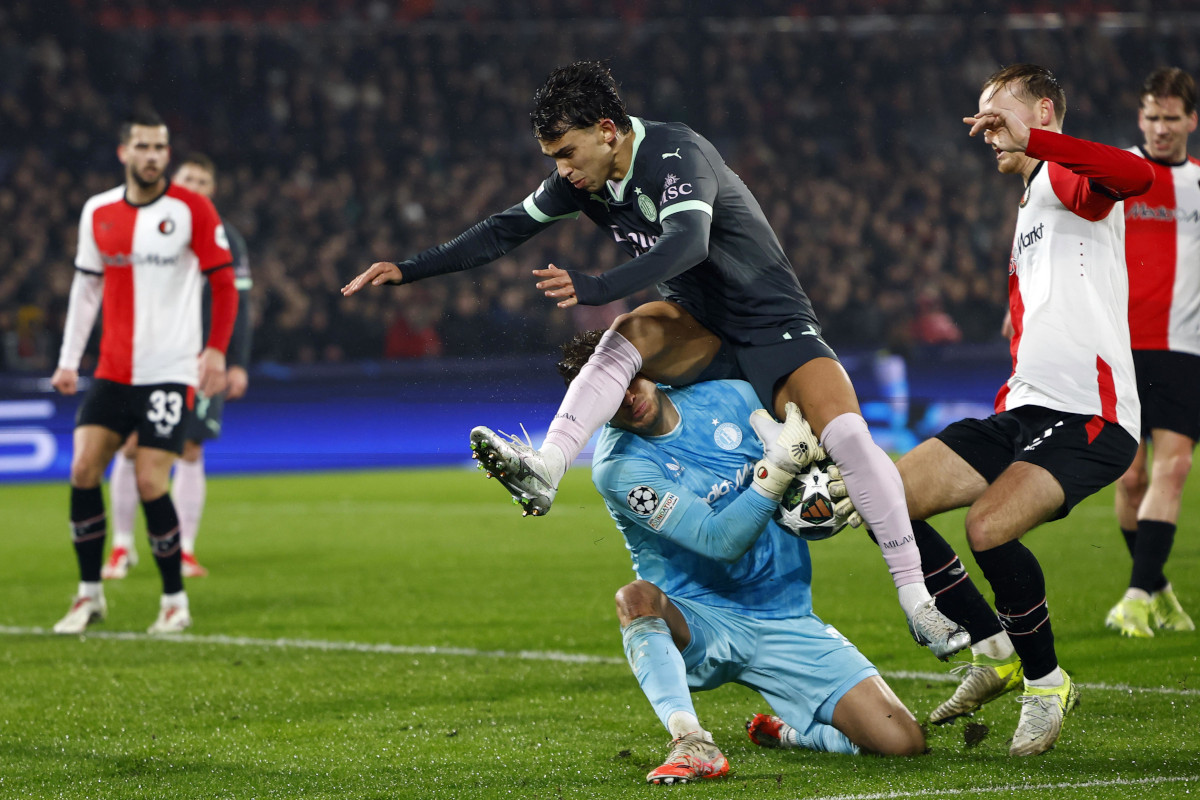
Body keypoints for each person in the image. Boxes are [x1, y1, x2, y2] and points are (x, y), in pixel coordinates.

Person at [343, 60, 967, 659]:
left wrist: (595, 283)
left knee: (852, 437)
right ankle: (549, 466)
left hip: (772, 323)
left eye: (566, 152)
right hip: (700, 329)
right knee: (629, 331)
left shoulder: (677, 154)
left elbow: (688, 243)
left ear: (607, 131)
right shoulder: (583, 182)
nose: (562, 170)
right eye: (553, 158)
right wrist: (409, 269)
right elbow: (504, 229)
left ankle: (918, 604)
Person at [842, 64, 1153, 757]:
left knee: (987, 528)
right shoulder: (1031, 202)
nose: (985, 129)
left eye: (998, 114)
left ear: (1043, 110)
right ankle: (995, 650)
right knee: (884, 499)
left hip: (1088, 415)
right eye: (981, 117)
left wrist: (1037, 140)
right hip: (1024, 408)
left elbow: (1136, 180)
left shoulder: (1068, 176)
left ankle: (1045, 683)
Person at [551, 331, 924, 785]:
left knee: (903, 743)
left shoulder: (732, 397)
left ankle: (793, 735)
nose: (627, 399)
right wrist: (777, 471)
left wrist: (834, 480)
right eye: (608, 399)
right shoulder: (619, 468)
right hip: (700, 618)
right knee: (636, 599)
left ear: (644, 365)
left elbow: (808, 453)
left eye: (628, 380)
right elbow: (719, 540)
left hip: (783, 616)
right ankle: (692, 741)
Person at [50, 111, 237, 635]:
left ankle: (174, 600)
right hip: (112, 369)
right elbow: (86, 288)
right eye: (145, 147)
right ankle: (89, 596)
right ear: (124, 152)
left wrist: (216, 351)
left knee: (152, 481)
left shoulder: (192, 209)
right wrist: (69, 360)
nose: (154, 156)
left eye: (161, 147)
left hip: (168, 370)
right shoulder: (99, 211)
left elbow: (223, 284)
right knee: (84, 469)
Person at [101, 153, 255, 581]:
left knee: (190, 448)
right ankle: (121, 548)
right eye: (189, 178)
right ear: (176, 180)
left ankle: (184, 550)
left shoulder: (227, 238)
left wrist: (235, 362)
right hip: (150, 355)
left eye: (204, 181)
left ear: (212, 190)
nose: (196, 186)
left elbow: (239, 305)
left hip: (204, 358)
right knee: (132, 445)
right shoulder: (149, 225)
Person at [1104, 67, 1200, 638]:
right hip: (1118, 342)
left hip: (1184, 347)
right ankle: (1157, 586)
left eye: (1172, 118)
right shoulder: (1115, 173)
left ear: (1191, 120)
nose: (1161, 129)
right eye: (1152, 117)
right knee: (1131, 478)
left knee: (1176, 465)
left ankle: (1136, 595)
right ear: (1140, 119)